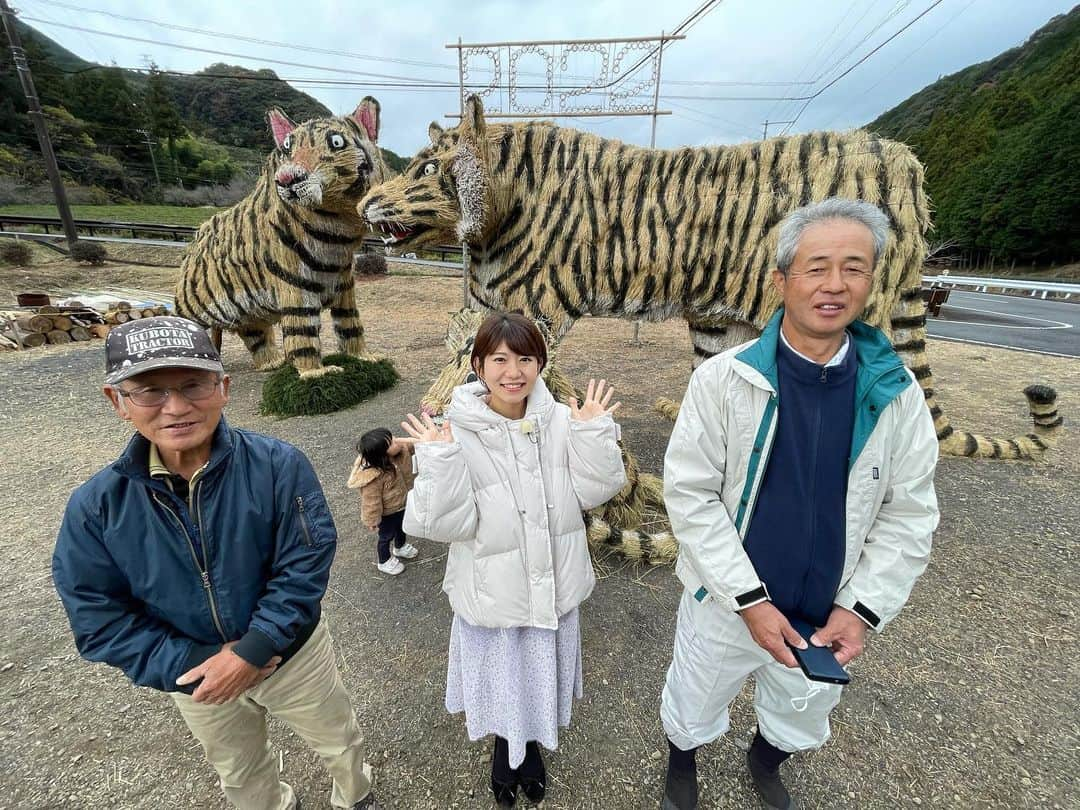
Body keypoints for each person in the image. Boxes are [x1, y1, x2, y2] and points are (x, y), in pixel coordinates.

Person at [659, 198, 940, 810]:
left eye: (854, 268)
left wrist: (862, 610)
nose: (835, 284)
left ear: (872, 280)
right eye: (816, 267)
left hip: (826, 612)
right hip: (729, 600)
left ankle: (767, 759)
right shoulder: (724, 378)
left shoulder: (894, 392)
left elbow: (910, 511)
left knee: (800, 704)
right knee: (697, 691)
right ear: (782, 281)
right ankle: (682, 763)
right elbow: (690, 494)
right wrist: (749, 601)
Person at [52, 316, 381, 810]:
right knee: (239, 770)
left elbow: (305, 562)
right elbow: (98, 617)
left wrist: (253, 648)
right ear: (116, 401)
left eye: (194, 385)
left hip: (290, 653)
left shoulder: (278, 465)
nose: (178, 407)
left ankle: (355, 798)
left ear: (223, 388)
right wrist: (193, 663)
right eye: (150, 392)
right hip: (195, 671)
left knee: (340, 742)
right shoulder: (96, 507)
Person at [400, 312, 626, 808]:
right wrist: (436, 464)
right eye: (499, 359)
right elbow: (440, 526)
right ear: (478, 366)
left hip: (553, 585)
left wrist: (592, 434)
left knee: (539, 676)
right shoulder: (452, 433)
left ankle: (533, 752)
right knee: (505, 678)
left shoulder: (563, 421)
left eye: (526, 358)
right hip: (492, 590)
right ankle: (506, 751)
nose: (513, 371)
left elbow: (597, 491)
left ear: (541, 363)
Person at [347, 427, 419, 576]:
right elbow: (371, 501)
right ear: (381, 454)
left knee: (402, 527)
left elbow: (414, 445)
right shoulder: (373, 476)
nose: (396, 441)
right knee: (386, 536)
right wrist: (372, 519)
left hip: (403, 503)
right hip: (388, 512)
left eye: (393, 437)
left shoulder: (400, 450)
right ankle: (384, 560)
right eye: (391, 443)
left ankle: (400, 547)